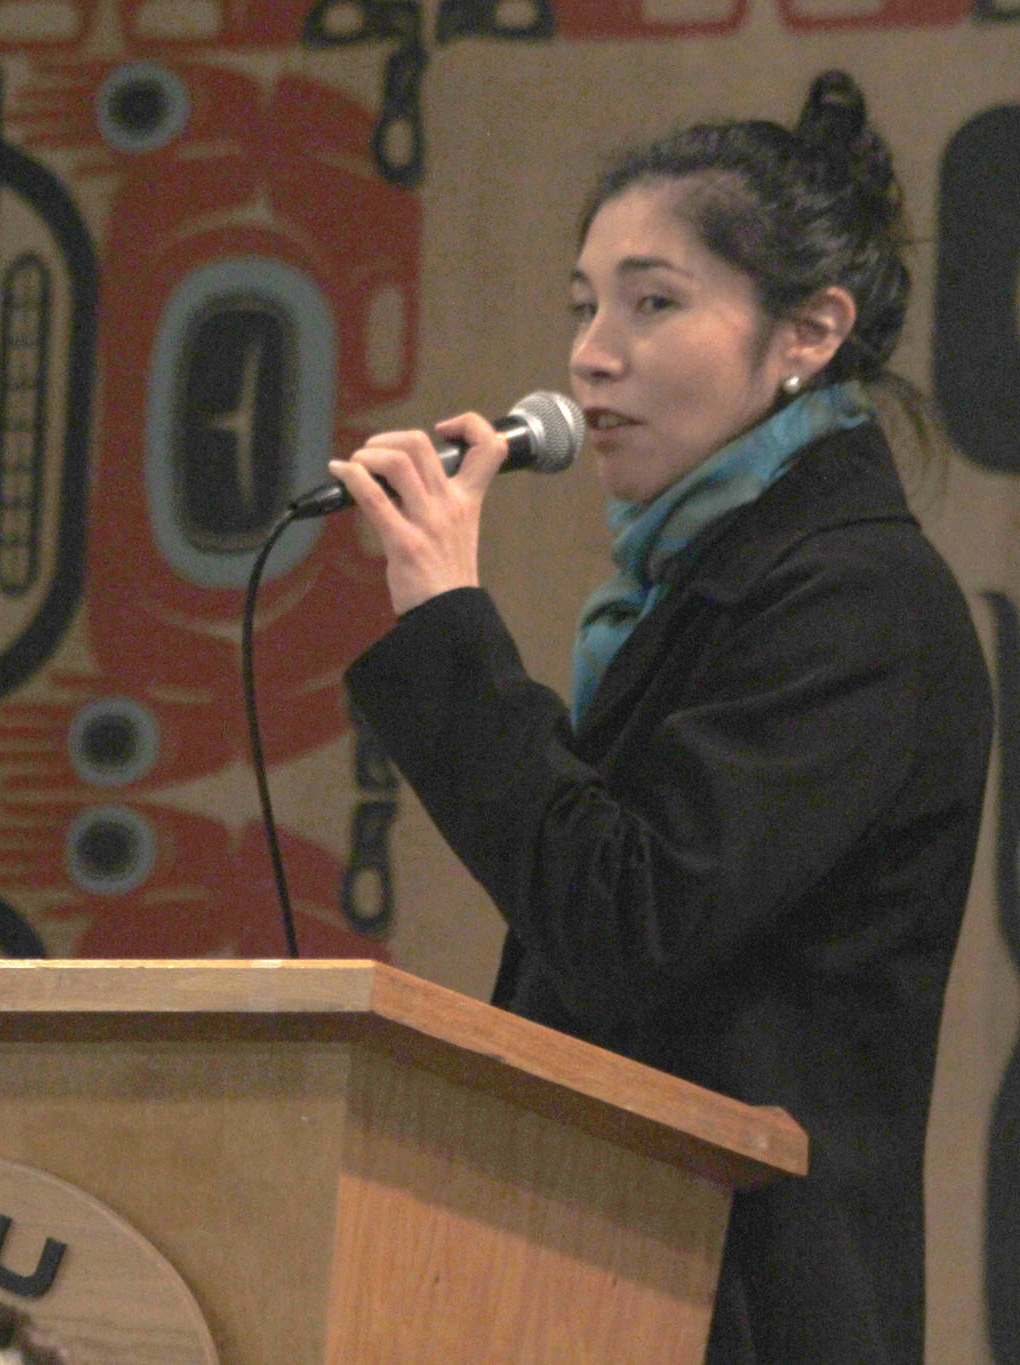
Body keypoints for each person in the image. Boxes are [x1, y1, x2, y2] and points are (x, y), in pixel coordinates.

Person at [329, 71, 990, 1365]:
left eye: (652, 302)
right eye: (582, 304)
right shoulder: (705, 584)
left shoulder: (856, 600)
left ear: (807, 332)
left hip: (746, 1309)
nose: (590, 352)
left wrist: (449, 621)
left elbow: (629, 922)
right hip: (617, 1288)